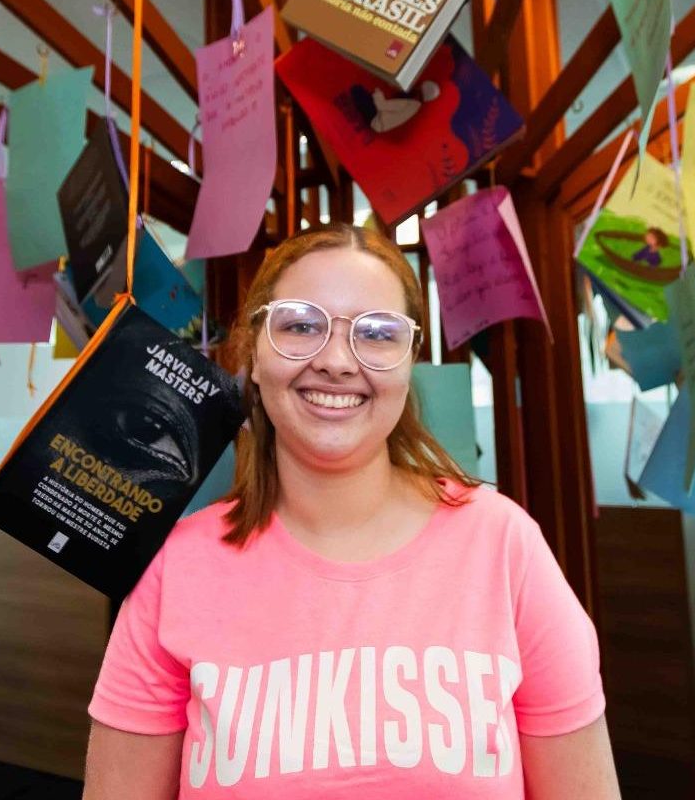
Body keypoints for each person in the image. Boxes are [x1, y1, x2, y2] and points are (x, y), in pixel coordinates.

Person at [83, 224, 619, 799]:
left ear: (409, 362)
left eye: (379, 334)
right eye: (300, 325)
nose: (337, 360)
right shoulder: (176, 568)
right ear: (254, 354)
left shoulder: (504, 544)